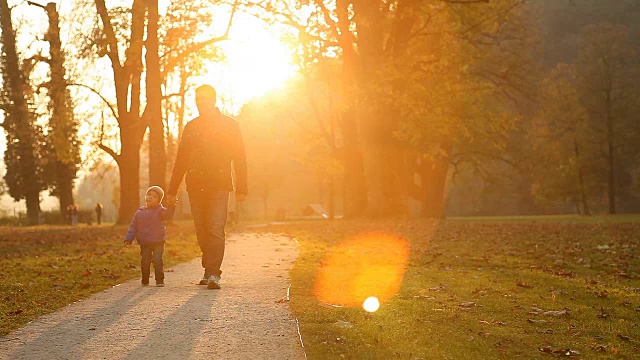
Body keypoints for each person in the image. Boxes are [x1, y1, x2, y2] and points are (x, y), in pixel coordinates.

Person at [165, 85, 247, 290]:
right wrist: (172, 189)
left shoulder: (230, 125)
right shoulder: (191, 127)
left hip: (220, 185)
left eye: (204, 98)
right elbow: (181, 159)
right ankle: (207, 267)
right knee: (202, 229)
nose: (200, 102)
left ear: (213, 100)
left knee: (215, 227)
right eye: (197, 99)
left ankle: (214, 273)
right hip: (195, 184)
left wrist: (242, 187)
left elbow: (240, 157)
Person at [124, 186, 176, 287]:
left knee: (157, 260)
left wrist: (172, 205)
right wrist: (129, 238)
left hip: (158, 242)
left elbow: (168, 215)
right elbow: (133, 227)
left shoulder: (160, 211)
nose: (150, 197)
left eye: (154, 196)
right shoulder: (139, 212)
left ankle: (159, 280)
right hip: (145, 242)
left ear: (159, 200)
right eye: (149, 195)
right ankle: (145, 279)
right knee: (145, 262)